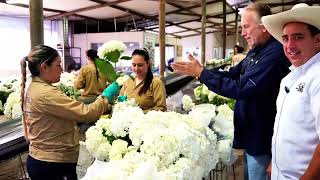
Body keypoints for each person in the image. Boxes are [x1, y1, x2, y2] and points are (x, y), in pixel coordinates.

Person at [172, 3, 290, 180]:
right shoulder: (255, 52)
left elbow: (241, 88)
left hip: (261, 136)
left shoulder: (273, 55)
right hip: (251, 135)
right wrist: (201, 71)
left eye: (246, 26)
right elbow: (232, 74)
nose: (242, 33)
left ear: (264, 26)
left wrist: (201, 73)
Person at [20, 45, 119, 180]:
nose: (61, 69)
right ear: (44, 67)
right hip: (53, 165)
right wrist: (106, 96)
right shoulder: (46, 93)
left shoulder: (35, 87)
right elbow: (87, 113)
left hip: (43, 160)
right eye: (58, 65)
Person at [262, 3, 320, 180]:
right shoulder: (291, 77)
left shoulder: (317, 77)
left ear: (317, 40)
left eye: (298, 37)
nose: (289, 45)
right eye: (286, 38)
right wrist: (276, 162)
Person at [119, 48, 167, 113]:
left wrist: (139, 113)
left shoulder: (156, 83)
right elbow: (120, 101)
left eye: (140, 65)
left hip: (147, 121)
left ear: (148, 64)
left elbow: (161, 108)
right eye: (134, 65)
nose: (136, 68)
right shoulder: (128, 81)